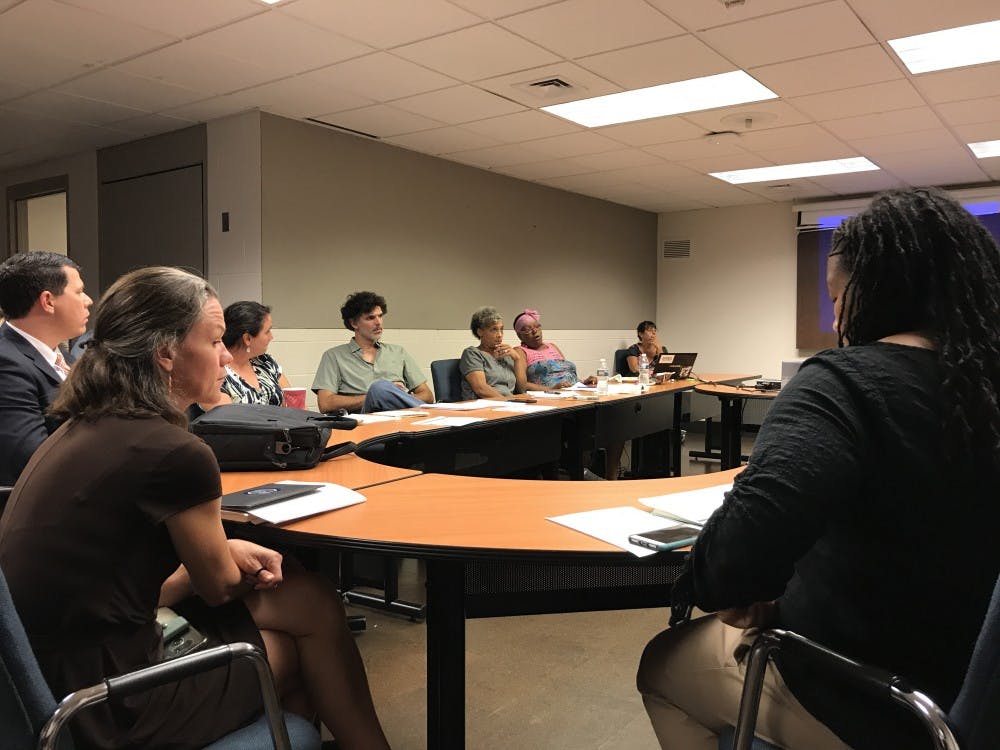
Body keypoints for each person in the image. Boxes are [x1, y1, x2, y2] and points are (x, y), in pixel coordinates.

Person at [637, 187, 1000, 750]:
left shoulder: (844, 382)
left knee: (663, 666)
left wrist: (755, 582)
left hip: (880, 700)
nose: (834, 318)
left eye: (837, 298)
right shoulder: (983, 383)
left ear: (875, 289)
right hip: (971, 688)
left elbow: (727, 571)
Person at [0, 267, 391, 749]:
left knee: (307, 598)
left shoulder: (80, 428)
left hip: (49, 683)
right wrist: (222, 558)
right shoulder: (173, 450)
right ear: (166, 352)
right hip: (109, 705)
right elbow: (218, 585)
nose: (226, 356)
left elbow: (103, 583)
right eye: (215, 341)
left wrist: (223, 550)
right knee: (299, 641)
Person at [0, 251, 92, 486]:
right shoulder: (6, 362)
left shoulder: (66, 358)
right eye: (79, 292)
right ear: (48, 301)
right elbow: (29, 459)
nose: (88, 300)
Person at [313, 291, 433, 413]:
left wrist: (395, 396)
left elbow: (427, 396)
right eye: (370, 318)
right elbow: (325, 403)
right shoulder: (333, 356)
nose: (378, 322)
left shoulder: (398, 352)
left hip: (401, 416)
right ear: (354, 323)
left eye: (380, 316)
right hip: (363, 418)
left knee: (382, 389)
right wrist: (375, 396)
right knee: (379, 388)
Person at [217, 300, 292, 406]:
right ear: (247, 338)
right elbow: (226, 415)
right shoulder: (218, 373)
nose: (271, 337)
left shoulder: (265, 362)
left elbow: (294, 402)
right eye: (267, 331)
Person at [513, 308, 596, 389]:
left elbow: (565, 372)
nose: (535, 331)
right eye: (528, 329)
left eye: (537, 326)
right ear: (519, 335)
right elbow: (522, 386)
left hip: (574, 390)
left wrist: (584, 382)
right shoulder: (520, 351)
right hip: (551, 395)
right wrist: (551, 389)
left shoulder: (552, 346)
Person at [460, 306, 527, 400]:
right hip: (484, 404)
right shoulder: (472, 353)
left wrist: (517, 359)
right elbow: (481, 389)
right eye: (494, 329)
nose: (500, 335)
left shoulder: (506, 354)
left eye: (501, 329)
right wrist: (509, 402)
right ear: (480, 332)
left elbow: (522, 389)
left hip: (508, 403)